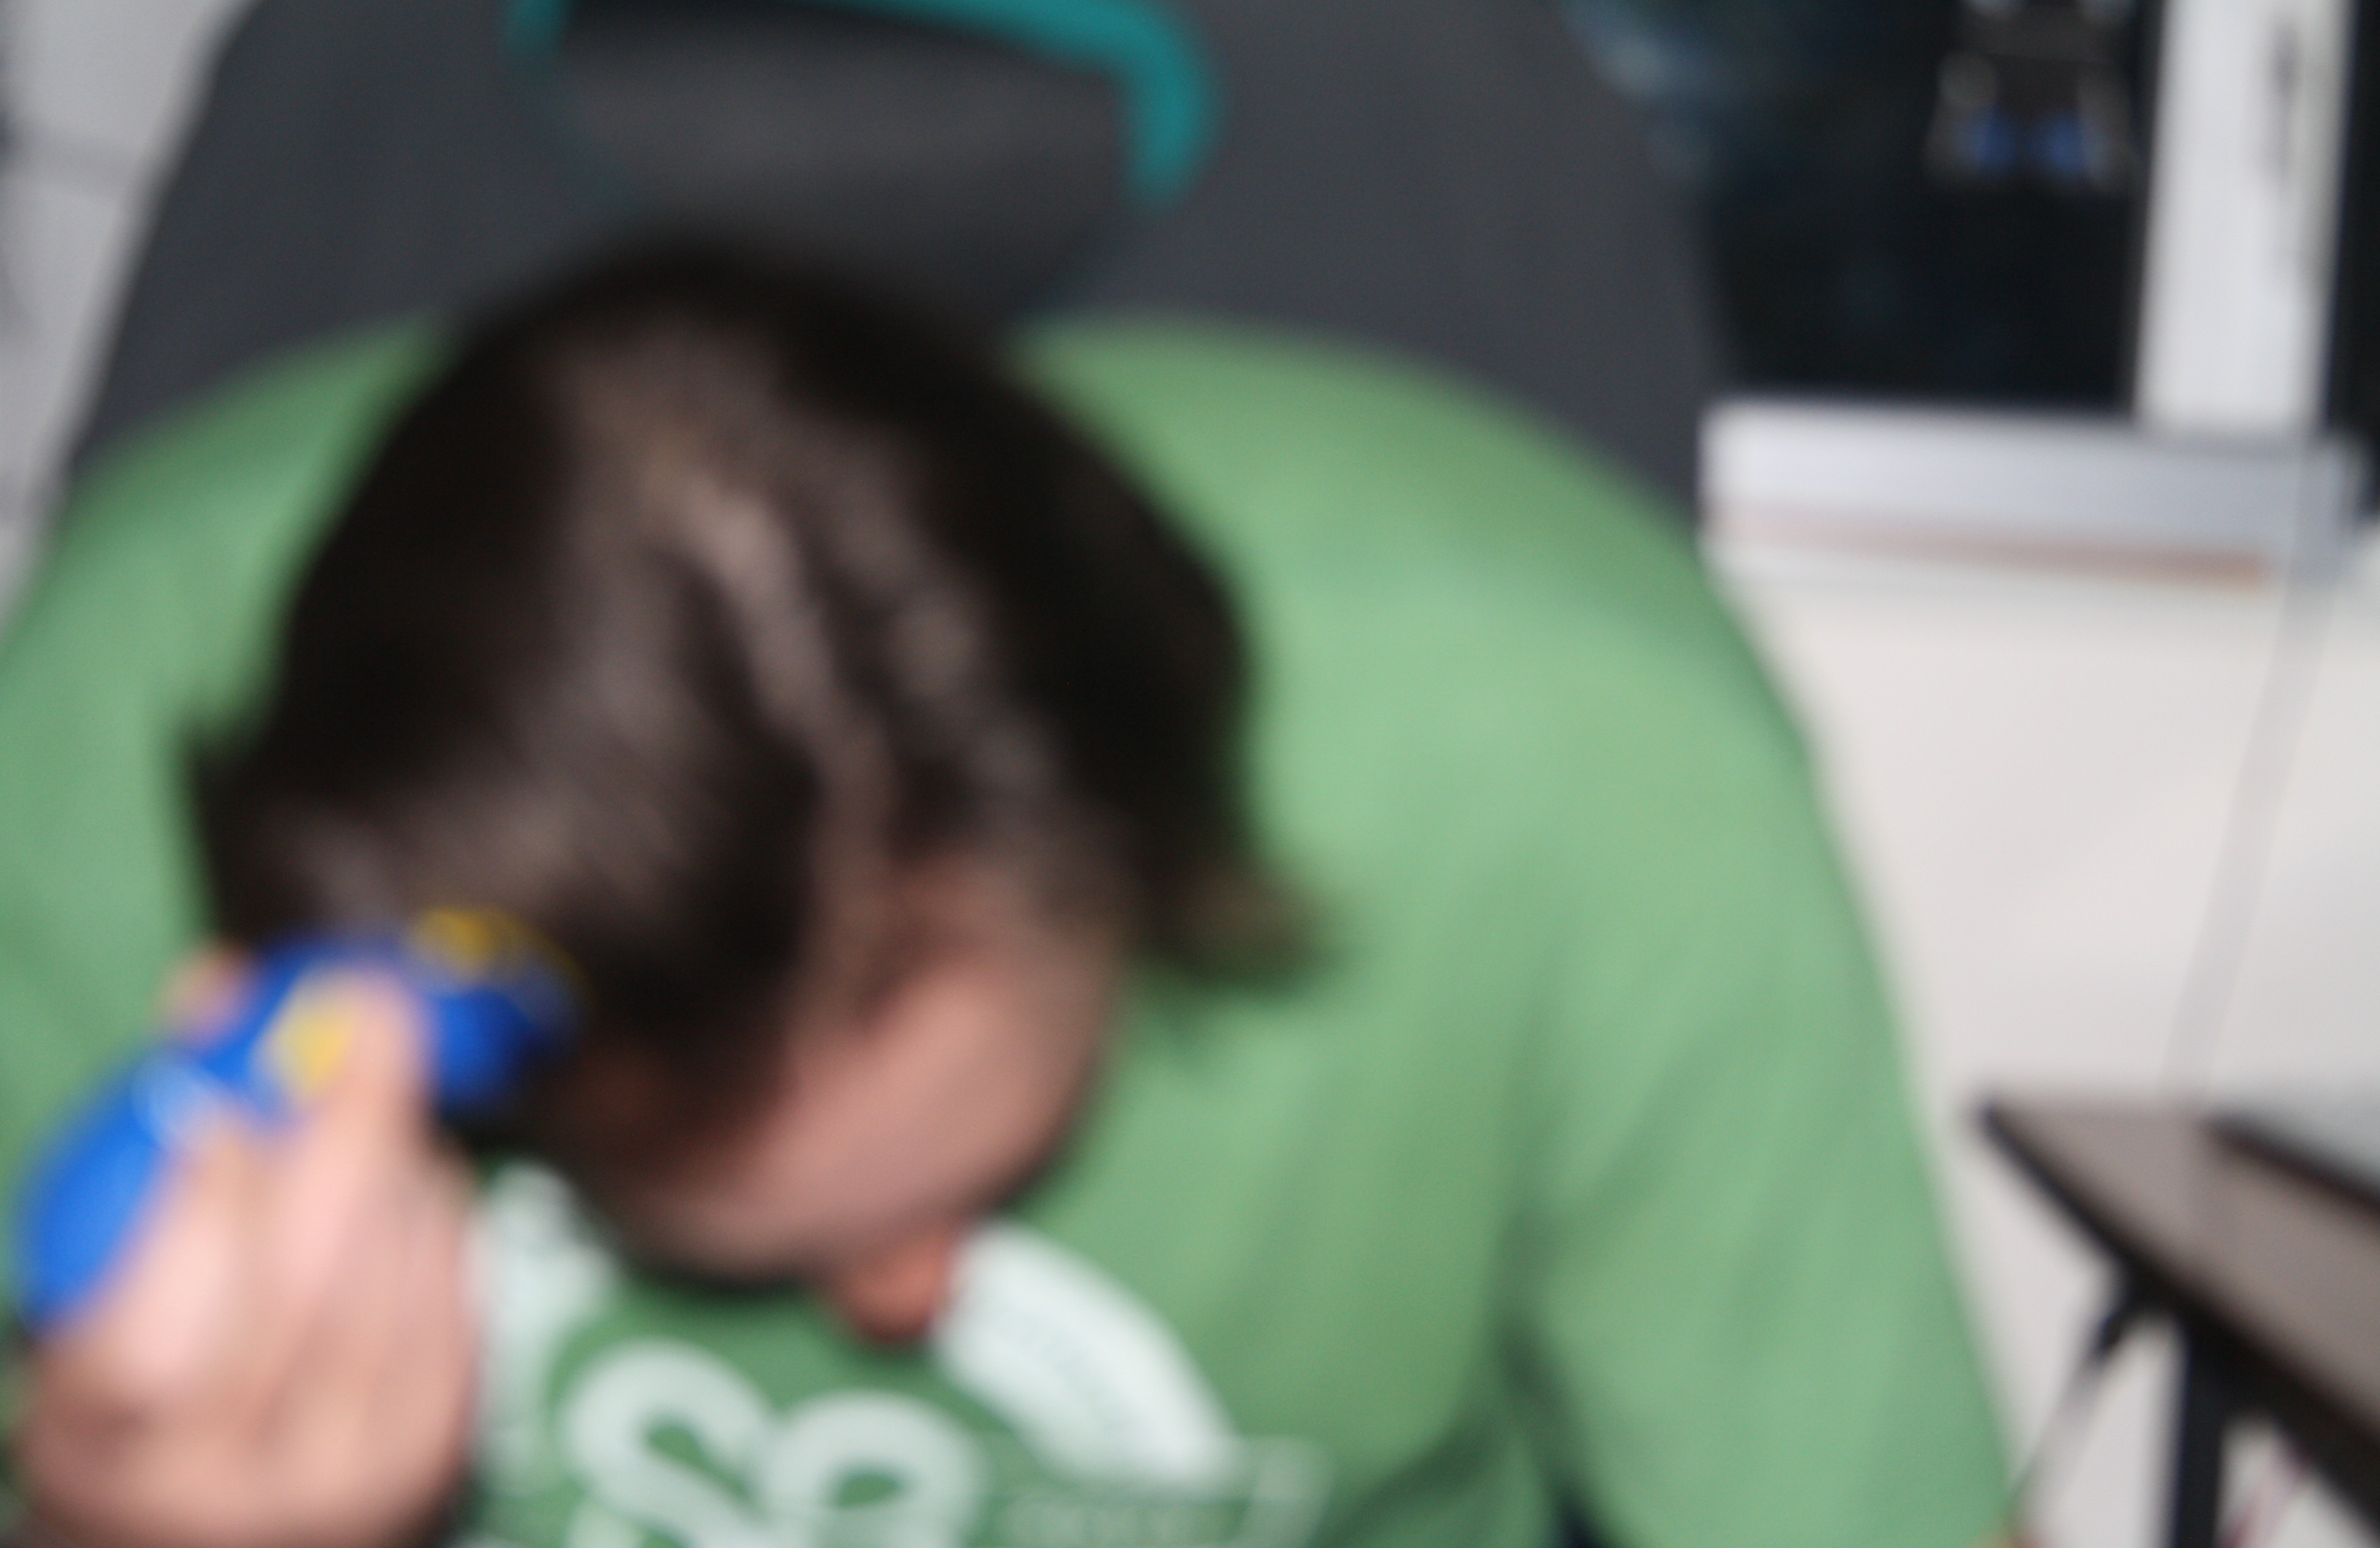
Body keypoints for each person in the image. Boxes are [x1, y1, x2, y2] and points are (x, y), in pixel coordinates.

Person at [0, 247, 2010, 1548]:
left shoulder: (1577, 765)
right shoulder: (127, 704)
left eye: (977, 1176)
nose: (908, 1311)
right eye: (801, 1236)